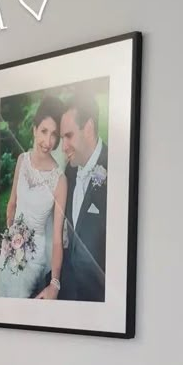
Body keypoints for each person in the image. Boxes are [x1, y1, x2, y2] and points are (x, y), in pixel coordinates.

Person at [0, 99, 66, 299]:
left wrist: (54, 282)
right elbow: (11, 205)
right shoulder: (22, 160)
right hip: (9, 249)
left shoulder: (59, 180)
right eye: (44, 131)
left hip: (35, 257)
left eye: (54, 134)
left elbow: (56, 239)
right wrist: (9, 242)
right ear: (34, 129)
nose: (48, 141)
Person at [58, 88, 108, 301]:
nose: (63, 147)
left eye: (68, 136)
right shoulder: (69, 172)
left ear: (88, 128)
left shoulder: (117, 171)